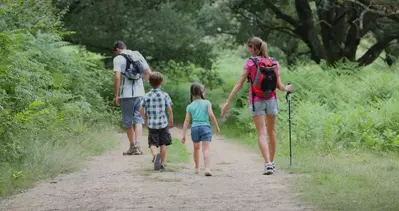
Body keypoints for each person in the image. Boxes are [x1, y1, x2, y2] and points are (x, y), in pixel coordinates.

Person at [221, 37, 292, 175]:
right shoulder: (274, 62)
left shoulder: (250, 63)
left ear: (253, 48)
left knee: (261, 132)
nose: (248, 49)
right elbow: (279, 86)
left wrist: (228, 101)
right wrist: (288, 89)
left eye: (249, 47)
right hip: (272, 100)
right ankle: (272, 163)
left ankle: (268, 164)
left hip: (256, 100)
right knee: (272, 132)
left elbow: (239, 83)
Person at [113, 40, 152, 156]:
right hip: (140, 93)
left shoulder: (118, 59)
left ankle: (132, 146)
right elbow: (148, 72)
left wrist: (116, 94)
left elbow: (117, 77)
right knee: (138, 119)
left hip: (126, 94)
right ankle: (138, 145)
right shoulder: (137, 54)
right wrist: (145, 81)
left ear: (117, 49)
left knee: (127, 121)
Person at [182, 82, 220, 176]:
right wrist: (216, 126)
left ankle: (196, 168)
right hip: (205, 127)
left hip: (195, 128)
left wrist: (183, 134)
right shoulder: (207, 103)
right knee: (206, 148)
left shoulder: (190, 106)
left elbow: (186, 121)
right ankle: (207, 168)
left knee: (196, 148)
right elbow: (211, 115)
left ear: (192, 93)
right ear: (202, 92)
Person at [140, 72, 173, 171]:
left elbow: (141, 108)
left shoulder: (146, 96)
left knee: (152, 144)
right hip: (163, 124)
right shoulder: (164, 95)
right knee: (163, 144)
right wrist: (171, 118)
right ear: (161, 82)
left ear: (149, 83)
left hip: (152, 124)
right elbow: (169, 108)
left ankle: (155, 156)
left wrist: (144, 119)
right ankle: (161, 164)